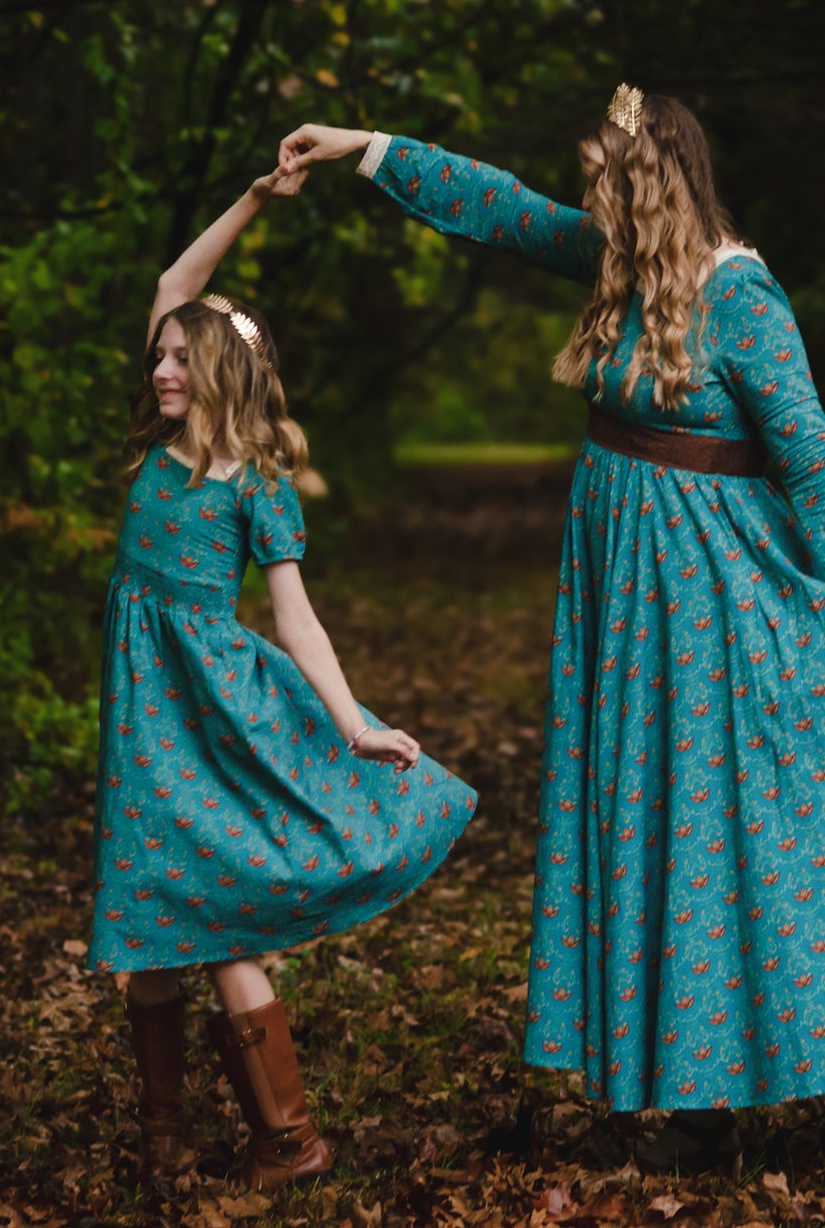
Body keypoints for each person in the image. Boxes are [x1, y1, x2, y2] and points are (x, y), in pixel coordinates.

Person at [276, 87, 825, 1164]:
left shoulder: (742, 297)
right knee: (663, 836)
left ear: (657, 180)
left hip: (720, 610)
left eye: (606, 178)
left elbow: (810, 451)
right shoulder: (618, 264)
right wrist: (367, 148)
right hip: (635, 621)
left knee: (747, 841)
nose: (589, 197)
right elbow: (496, 206)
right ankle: (695, 1100)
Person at [89, 164, 479, 1191]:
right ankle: (162, 1137)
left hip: (215, 713)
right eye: (161, 354)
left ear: (220, 372)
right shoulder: (156, 453)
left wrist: (350, 724)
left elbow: (294, 617)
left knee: (206, 915)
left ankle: (288, 1139)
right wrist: (257, 199)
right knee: (145, 919)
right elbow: (179, 274)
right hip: (144, 711)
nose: (163, 368)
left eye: (181, 358)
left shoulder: (253, 486)